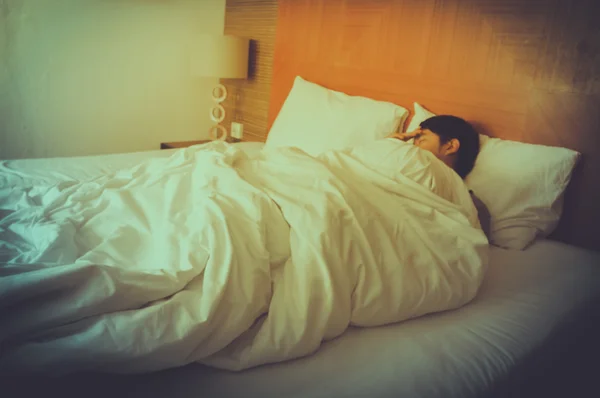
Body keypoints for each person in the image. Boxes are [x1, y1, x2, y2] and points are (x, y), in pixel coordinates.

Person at [389, 115, 480, 179]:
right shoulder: (404, 172)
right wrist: (389, 146)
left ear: (450, 146)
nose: (413, 148)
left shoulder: (463, 198)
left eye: (421, 140)